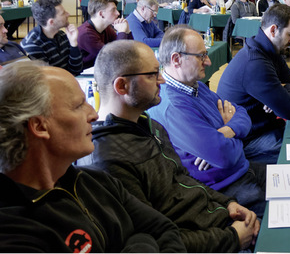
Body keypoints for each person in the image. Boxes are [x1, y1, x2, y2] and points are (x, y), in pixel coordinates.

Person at [82, 41, 259, 252]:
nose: (162, 80)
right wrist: (232, 238)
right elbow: (156, 241)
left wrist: (227, 204)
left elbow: (184, 178)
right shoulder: (108, 160)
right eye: (152, 74)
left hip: (217, 219)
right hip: (212, 241)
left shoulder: (149, 125)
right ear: (122, 86)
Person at [0, 61, 185, 252]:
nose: (93, 114)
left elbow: (165, 230)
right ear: (39, 126)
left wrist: (139, 240)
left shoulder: (96, 181)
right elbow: (152, 234)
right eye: (79, 105)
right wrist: (142, 240)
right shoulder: (12, 233)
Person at [147, 26, 266, 217]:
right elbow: (224, 156)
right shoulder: (174, 106)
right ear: (176, 59)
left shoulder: (196, 87)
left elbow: (242, 113)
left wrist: (225, 131)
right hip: (224, 188)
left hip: (241, 169)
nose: (208, 61)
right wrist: (232, 132)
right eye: (201, 56)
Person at [218, 4, 290, 164]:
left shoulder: (269, 51)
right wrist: (284, 89)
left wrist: (285, 89)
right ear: (273, 30)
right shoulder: (256, 63)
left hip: (263, 127)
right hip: (248, 139)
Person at [20, 0, 82, 76]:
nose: (68, 14)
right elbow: (47, 79)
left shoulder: (61, 35)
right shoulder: (33, 45)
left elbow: (76, 70)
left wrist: (73, 43)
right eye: (63, 13)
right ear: (51, 22)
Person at [77, 0, 131, 68]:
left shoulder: (106, 28)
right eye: (113, 10)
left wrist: (127, 31)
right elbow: (115, 56)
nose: (118, 13)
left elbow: (127, 50)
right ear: (101, 14)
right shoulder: (86, 34)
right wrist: (122, 32)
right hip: (84, 75)